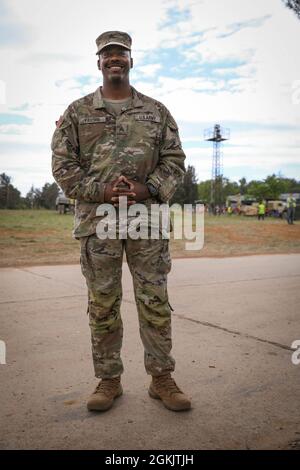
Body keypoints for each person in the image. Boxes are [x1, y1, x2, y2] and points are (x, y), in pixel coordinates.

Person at [51, 31, 191, 412]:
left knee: (155, 301)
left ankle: (161, 378)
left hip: (146, 222)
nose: (114, 58)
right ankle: (108, 381)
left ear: (131, 60)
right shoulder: (78, 112)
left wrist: (147, 189)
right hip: (99, 224)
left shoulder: (156, 111)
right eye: (107, 54)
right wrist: (102, 191)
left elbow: (175, 160)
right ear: (98, 62)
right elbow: (62, 167)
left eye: (121, 53)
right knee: (102, 305)